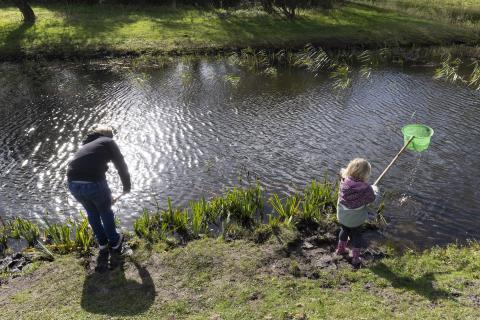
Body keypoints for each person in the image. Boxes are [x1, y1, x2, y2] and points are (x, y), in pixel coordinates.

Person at [67, 124, 131, 254]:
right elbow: (121, 166)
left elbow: (92, 166)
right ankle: (115, 243)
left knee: (92, 212)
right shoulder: (108, 141)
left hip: (73, 184)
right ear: (108, 135)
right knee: (105, 211)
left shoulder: (86, 146)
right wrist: (126, 187)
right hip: (93, 183)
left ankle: (102, 243)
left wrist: (106, 195)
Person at [335, 158, 379, 267]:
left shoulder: (344, 181)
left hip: (342, 216)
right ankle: (355, 257)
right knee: (357, 236)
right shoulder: (366, 188)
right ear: (365, 174)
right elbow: (371, 199)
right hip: (356, 220)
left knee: (344, 230)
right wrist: (375, 190)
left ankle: (340, 250)